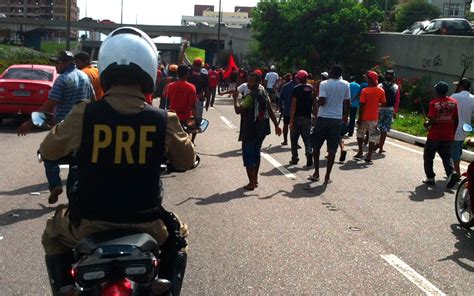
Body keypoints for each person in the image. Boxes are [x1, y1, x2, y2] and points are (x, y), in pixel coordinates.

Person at [39, 27, 194, 295]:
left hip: (87, 223)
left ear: (107, 68)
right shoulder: (163, 119)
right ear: (148, 71)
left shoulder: (85, 114)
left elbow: (49, 150)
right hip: (147, 224)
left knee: (52, 234)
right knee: (179, 237)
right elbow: (187, 160)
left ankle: (66, 290)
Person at [17, 50, 94, 204]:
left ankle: (55, 185)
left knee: (46, 153)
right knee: (75, 162)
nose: (56, 66)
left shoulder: (62, 79)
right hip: (82, 127)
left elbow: (49, 105)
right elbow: (94, 100)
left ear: (66, 63)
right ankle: (73, 197)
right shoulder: (85, 77)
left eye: (58, 63)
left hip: (63, 127)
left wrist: (30, 122)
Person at [233, 72, 282, 190]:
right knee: (256, 153)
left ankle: (251, 183)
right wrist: (276, 125)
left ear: (257, 82)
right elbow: (270, 109)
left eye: (251, 81)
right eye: (248, 80)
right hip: (262, 129)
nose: (248, 83)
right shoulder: (264, 92)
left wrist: (235, 99)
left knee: (249, 155)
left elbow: (238, 110)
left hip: (250, 129)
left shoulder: (250, 96)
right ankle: (255, 180)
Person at [309, 65, 350, 184]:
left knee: (316, 145)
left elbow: (322, 101)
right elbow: (347, 102)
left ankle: (316, 173)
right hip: (336, 119)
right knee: (332, 148)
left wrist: (314, 99)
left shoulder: (324, 84)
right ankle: (327, 176)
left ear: (331, 72)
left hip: (323, 117)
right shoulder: (345, 84)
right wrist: (345, 117)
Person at [423, 81, 459, 188]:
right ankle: (451, 173)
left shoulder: (434, 103)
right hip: (448, 135)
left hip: (434, 135)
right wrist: (453, 132)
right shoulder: (453, 102)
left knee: (428, 156)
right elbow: (456, 119)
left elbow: (433, 119)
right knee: (447, 157)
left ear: (436, 91)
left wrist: (427, 123)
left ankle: (430, 177)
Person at [354, 71, 386, 163]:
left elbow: (362, 106)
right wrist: (376, 105)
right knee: (373, 136)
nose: (366, 79)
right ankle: (369, 154)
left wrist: (359, 118)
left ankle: (360, 151)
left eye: (367, 78)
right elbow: (384, 103)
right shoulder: (381, 90)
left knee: (360, 134)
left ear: (370, 79)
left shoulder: (365, 91)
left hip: (364, 117)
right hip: (374, 117)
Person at [289, 70, 315, 167]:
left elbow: (293, 105)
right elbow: (314, 103)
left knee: (294, 139)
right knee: (307, 138)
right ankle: (309, 152)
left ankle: (295, 158)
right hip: (307, 117)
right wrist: (315, 116)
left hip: (296, 117)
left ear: (298, 79)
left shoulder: (296, 89)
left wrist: (291, 120)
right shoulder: (311, 88)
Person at [451, 78, 474, 175]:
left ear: (461, 86)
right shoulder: (473, 98)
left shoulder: (454, 96)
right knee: (458, 149)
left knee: (455, 151)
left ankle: (457, 173)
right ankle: (453, 169)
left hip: (456, 128)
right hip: (466, 128)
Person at [376, 69, 400, 153]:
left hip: (379, 109)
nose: (389, 76)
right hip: (389, 110)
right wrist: (395, 112)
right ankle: (380, 146)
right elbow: (397, 101)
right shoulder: (395, 87)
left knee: (377, 127)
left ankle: (377, 144)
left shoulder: (379, 86)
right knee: (384, 129)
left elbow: (376, 98)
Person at [187, 58, 210, 142]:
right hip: (198, 99)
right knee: (197, 120)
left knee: (187, 117)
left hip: (188, 98)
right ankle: (192, 140)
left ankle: (186, 137)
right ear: (201, 66)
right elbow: (207, 89)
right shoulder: (204, 76)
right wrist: (208, 102)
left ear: (193, 65)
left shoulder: (188, 73)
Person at [279, 73, 297, 145]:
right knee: (295, 127)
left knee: (286, 125)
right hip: (296, 111)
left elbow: (280, 99)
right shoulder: (299, 86)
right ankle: (295, 142)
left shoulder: (285, 86)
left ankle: (285, 140)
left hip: (287, 110)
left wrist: (280, 108)